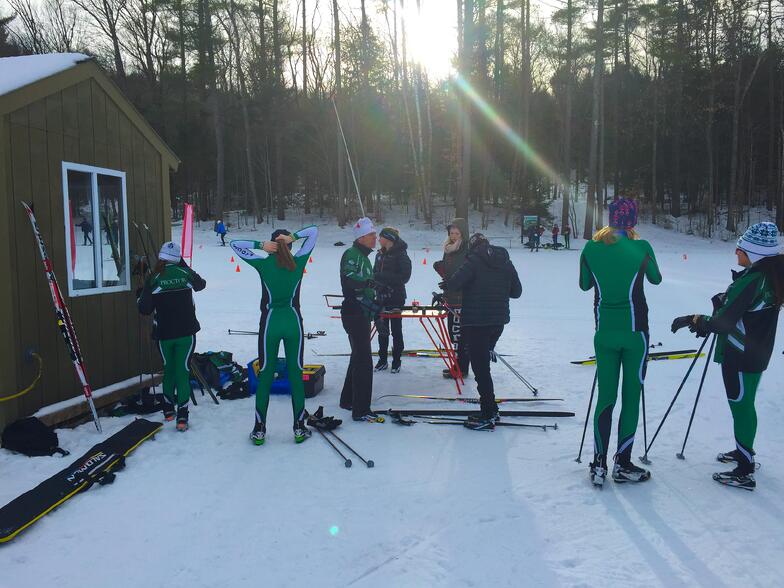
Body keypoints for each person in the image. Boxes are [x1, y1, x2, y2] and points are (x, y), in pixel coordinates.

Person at [671, 222, 783, 490]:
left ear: (754, 253)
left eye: (741, 248)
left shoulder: (754, 280)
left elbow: (723, 323)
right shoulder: (769, 276)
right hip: (754, 353)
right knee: (744, 405)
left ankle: (744, 469)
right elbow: (742, 310)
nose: (736, 252)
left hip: (740, 355)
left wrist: (694, 319)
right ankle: (744, 452)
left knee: (741, 406)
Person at [579, 197, 662, 486]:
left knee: (606, 397)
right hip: (636, 333)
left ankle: (599, 464)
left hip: (604, 333)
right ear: (633, 221)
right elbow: (656, 279)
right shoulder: (641, 247)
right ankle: (623, 463)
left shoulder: (590, 247)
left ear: (610, 219)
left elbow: (584, 284)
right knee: (630, 398)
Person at [230, 225, 318, 445]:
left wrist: (260, 246)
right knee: (295, 374)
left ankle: (259, 429)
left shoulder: (263, 263)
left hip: (271, 322)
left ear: (271, 247)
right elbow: (314, 231)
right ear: (289, 245)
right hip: (293, 320)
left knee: (267, 375)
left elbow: (235, 245)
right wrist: (293, 237)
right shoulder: (298, 261)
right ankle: (299, 428)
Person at [441, 233, 521, 430]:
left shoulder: (473, 261)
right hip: (498, 322)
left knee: (481, 369)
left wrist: (446, 284)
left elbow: (455, 283)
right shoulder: (505, 261)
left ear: (473, 247)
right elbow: (516, 292)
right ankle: (490, 407)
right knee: (482, 365)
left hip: (477, 323)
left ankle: (488, 412)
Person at [138, 241, 206, 432]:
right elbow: (201, 284)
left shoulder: (154, 277)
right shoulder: (185, 274)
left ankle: (168, 410)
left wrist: (140, 294)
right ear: (178, 259)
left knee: (169, 370)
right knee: (183, 371)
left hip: (164, 335)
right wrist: (183, 265)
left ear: (160, 257)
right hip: (186, 333)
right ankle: (182, 417)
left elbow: (144, 309)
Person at [339, 217, 384, 423]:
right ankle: (361, 409)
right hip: (353, 313)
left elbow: (365, 285)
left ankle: (348, 399)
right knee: (364, 361)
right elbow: (349, 282)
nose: (376, 238)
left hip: (363, 312)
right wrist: (366, 283)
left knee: (358, 355)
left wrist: (376, 290)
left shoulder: (365, 257)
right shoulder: (351, 254)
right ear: (362, 237)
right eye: (372, 235)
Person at [433, 218, 471, 379]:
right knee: (452, 333)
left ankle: (462, 368)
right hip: (451, 296)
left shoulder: (466, 249)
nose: (454, 236)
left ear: (463, 233)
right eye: (451, 233)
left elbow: (468, 273)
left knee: (459, 335)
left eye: (457, 233)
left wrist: (453, 283)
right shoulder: (448, 249)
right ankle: (458, 364)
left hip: (462, 297)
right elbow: (450, 270)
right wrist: (442, 271)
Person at [373, 227, 412, 373]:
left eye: (381, 237)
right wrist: (375, 284)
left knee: (396, 331)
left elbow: (405, 276)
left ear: (388, 238)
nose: (378, 239)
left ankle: (396, 361)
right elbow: (374, 273)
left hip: (396, 298)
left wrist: (384, 279)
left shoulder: (401, 254)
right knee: (382, 330)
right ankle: (382, 360)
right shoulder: (379, 254)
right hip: (380, 298)